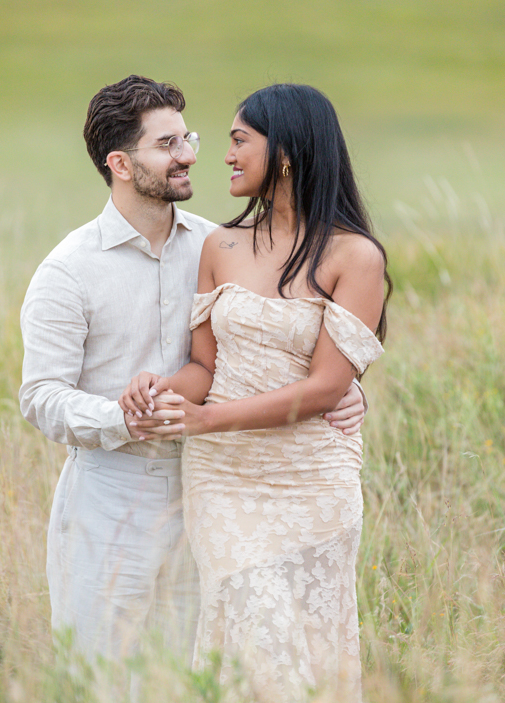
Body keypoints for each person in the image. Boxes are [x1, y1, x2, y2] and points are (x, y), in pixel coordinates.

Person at [18, 76, 367, 667]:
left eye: (189, 138)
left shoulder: (221, 243)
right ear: (121, 165)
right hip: (110, 494)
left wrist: (350, 389)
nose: (190, 156)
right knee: (99, 673)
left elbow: (288, 345)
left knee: (197, 672)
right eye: (168, 145)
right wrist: (125, 417)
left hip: (212, 489)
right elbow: (41, 396)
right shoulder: (68, 271)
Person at [119, 83, 390, 702]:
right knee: (252, 629)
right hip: (225, 479)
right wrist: (160, 388)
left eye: (240, 141)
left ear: (286, 152)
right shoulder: (223, 245)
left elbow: (327, 388)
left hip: (313, 479)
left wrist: (206, 421)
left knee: (309, 649)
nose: (225, 155)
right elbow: (202, 370)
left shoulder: (355, 256)